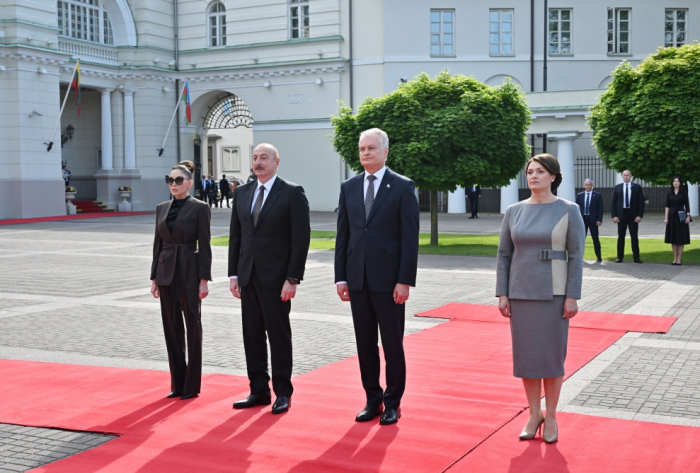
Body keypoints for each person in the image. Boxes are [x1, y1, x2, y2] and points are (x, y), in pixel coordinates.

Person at [496, 154, 585, 444]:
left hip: (554, 294)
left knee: (551, 359)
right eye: (530, 171)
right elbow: (504, 255)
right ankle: (534, 414)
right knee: (528, 359)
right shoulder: (513, 211)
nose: (533, 176)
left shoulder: (569, 209)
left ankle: (552, 415)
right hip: (521, 292)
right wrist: (503, 293)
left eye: (540, 172)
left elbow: (577, 256)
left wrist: (572, 296)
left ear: (554, 176)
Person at [335, 128, 420, 426]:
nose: (366, 153)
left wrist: (404, 280)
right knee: (364, 343)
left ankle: (393, 402)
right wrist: (340, 277)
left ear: (386, 151)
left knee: (393, 343)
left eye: (372, 148)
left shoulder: (402, 186)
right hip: (357, 279)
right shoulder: (349, 187)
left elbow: (410, 238)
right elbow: (343, 234)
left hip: (389, 281)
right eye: (362, 149)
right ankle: (373, 400)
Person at [229, 143, 310, 414]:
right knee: (251, 336)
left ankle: (283, 393)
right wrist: (234, 274)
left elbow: (301, 240)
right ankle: (258, 390)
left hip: (277, 280)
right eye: (255, 158)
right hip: (248, 277)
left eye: (264, 157)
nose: (258, 162)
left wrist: (292, 278)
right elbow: (236, 237)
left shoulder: (291, 193)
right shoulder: (242, 192)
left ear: (277, 161)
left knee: (278, 336)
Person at [150, 160, 212, 400]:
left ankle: (191, 384)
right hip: (166, 273)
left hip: (189, 271)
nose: (173, 184)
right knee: (171, 328)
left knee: (193, 327)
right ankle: (177, 383)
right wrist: (154, 277)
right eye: (170, 180)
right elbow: (157, 244)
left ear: (189, 183)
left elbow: (205, 246)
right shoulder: (161, 208)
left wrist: (204, 279)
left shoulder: (199, 208)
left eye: (178, 180)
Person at [611, 170, 644, 263]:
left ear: (631, 176)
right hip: (621, 215)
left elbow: (641, 202)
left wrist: (639, 215)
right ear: (622, 176)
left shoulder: (637, 187)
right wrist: (614, 215)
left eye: (628, 175)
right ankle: (620, 257)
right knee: (621, 236)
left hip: (633, 215)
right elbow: (613, 202)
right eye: (624, 175)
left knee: (634, 236)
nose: (626, 177)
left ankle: (636, 257)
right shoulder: (617, 188)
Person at [664, 176, 691, 265]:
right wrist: (666, 218)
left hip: (681, 216)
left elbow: (687, 206)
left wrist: (688, 216)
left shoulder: (683, 193)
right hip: (671, 216)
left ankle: (679, 258)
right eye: (674, 181)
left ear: (680, 183)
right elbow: (667, 206)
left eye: (677, 181)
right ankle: (675, 258)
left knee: (681, 238)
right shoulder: (669, 193)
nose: (676, 183)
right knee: (673, 238)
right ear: (672, 183)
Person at [575, 179, 604, 262]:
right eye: (586, 185)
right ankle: (579, 257)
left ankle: (599, 257)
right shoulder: (580, 195)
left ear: (592, 185)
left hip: (593, 220)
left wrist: (599, 219)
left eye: (589, 184)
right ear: (584, 186)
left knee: (595, 238)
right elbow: (576, 208)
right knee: (581, 239)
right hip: (583, 220)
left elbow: (600, 208)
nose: (588, 186)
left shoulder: (597, 195)